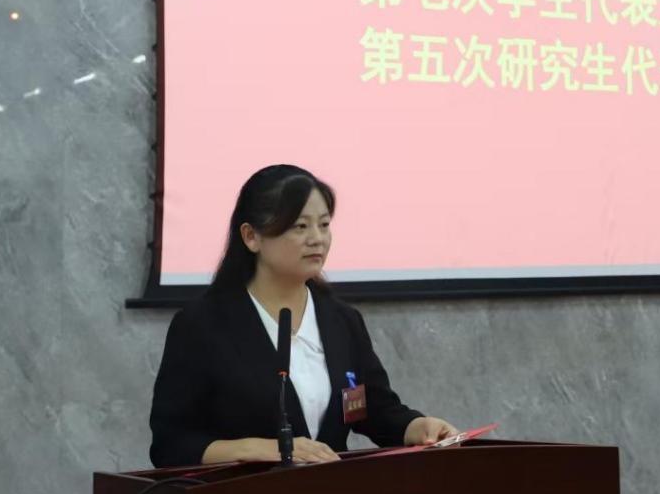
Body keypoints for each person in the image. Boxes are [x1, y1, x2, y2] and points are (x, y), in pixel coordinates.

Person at [149, 164, 457, 467]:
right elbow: (170, 444)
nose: (317, 238)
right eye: (300, 226)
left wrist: (417, 427)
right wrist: (258, 448)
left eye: (324, 225)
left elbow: (374, 410)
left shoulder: (342, 320)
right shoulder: (202, 325)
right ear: (251, 236)